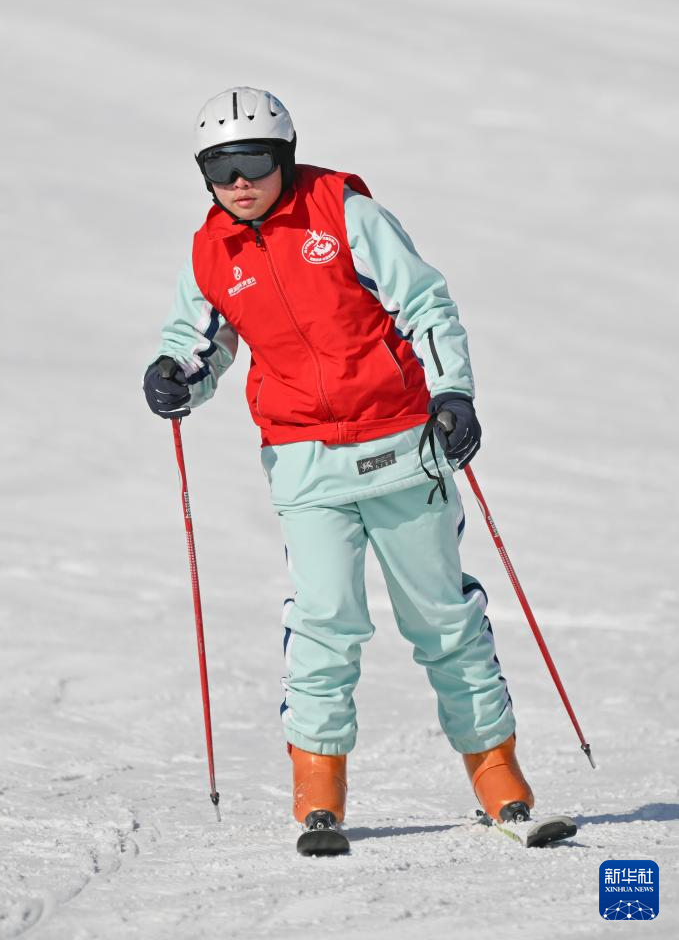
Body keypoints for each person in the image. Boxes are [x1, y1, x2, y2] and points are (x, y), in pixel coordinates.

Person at [144, 86, 535, 854]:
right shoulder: (210, 251)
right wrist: (172, 372)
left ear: (284, 156)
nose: (239, 183)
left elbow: (425, 303)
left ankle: (498, 777)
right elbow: (202, 340)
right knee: (323, 621)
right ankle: (318, 793)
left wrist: (452, 392)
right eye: (220, 170)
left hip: (399, 447)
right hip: (303, 461)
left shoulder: (343, 213)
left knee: (441, 619)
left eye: (254, 162)